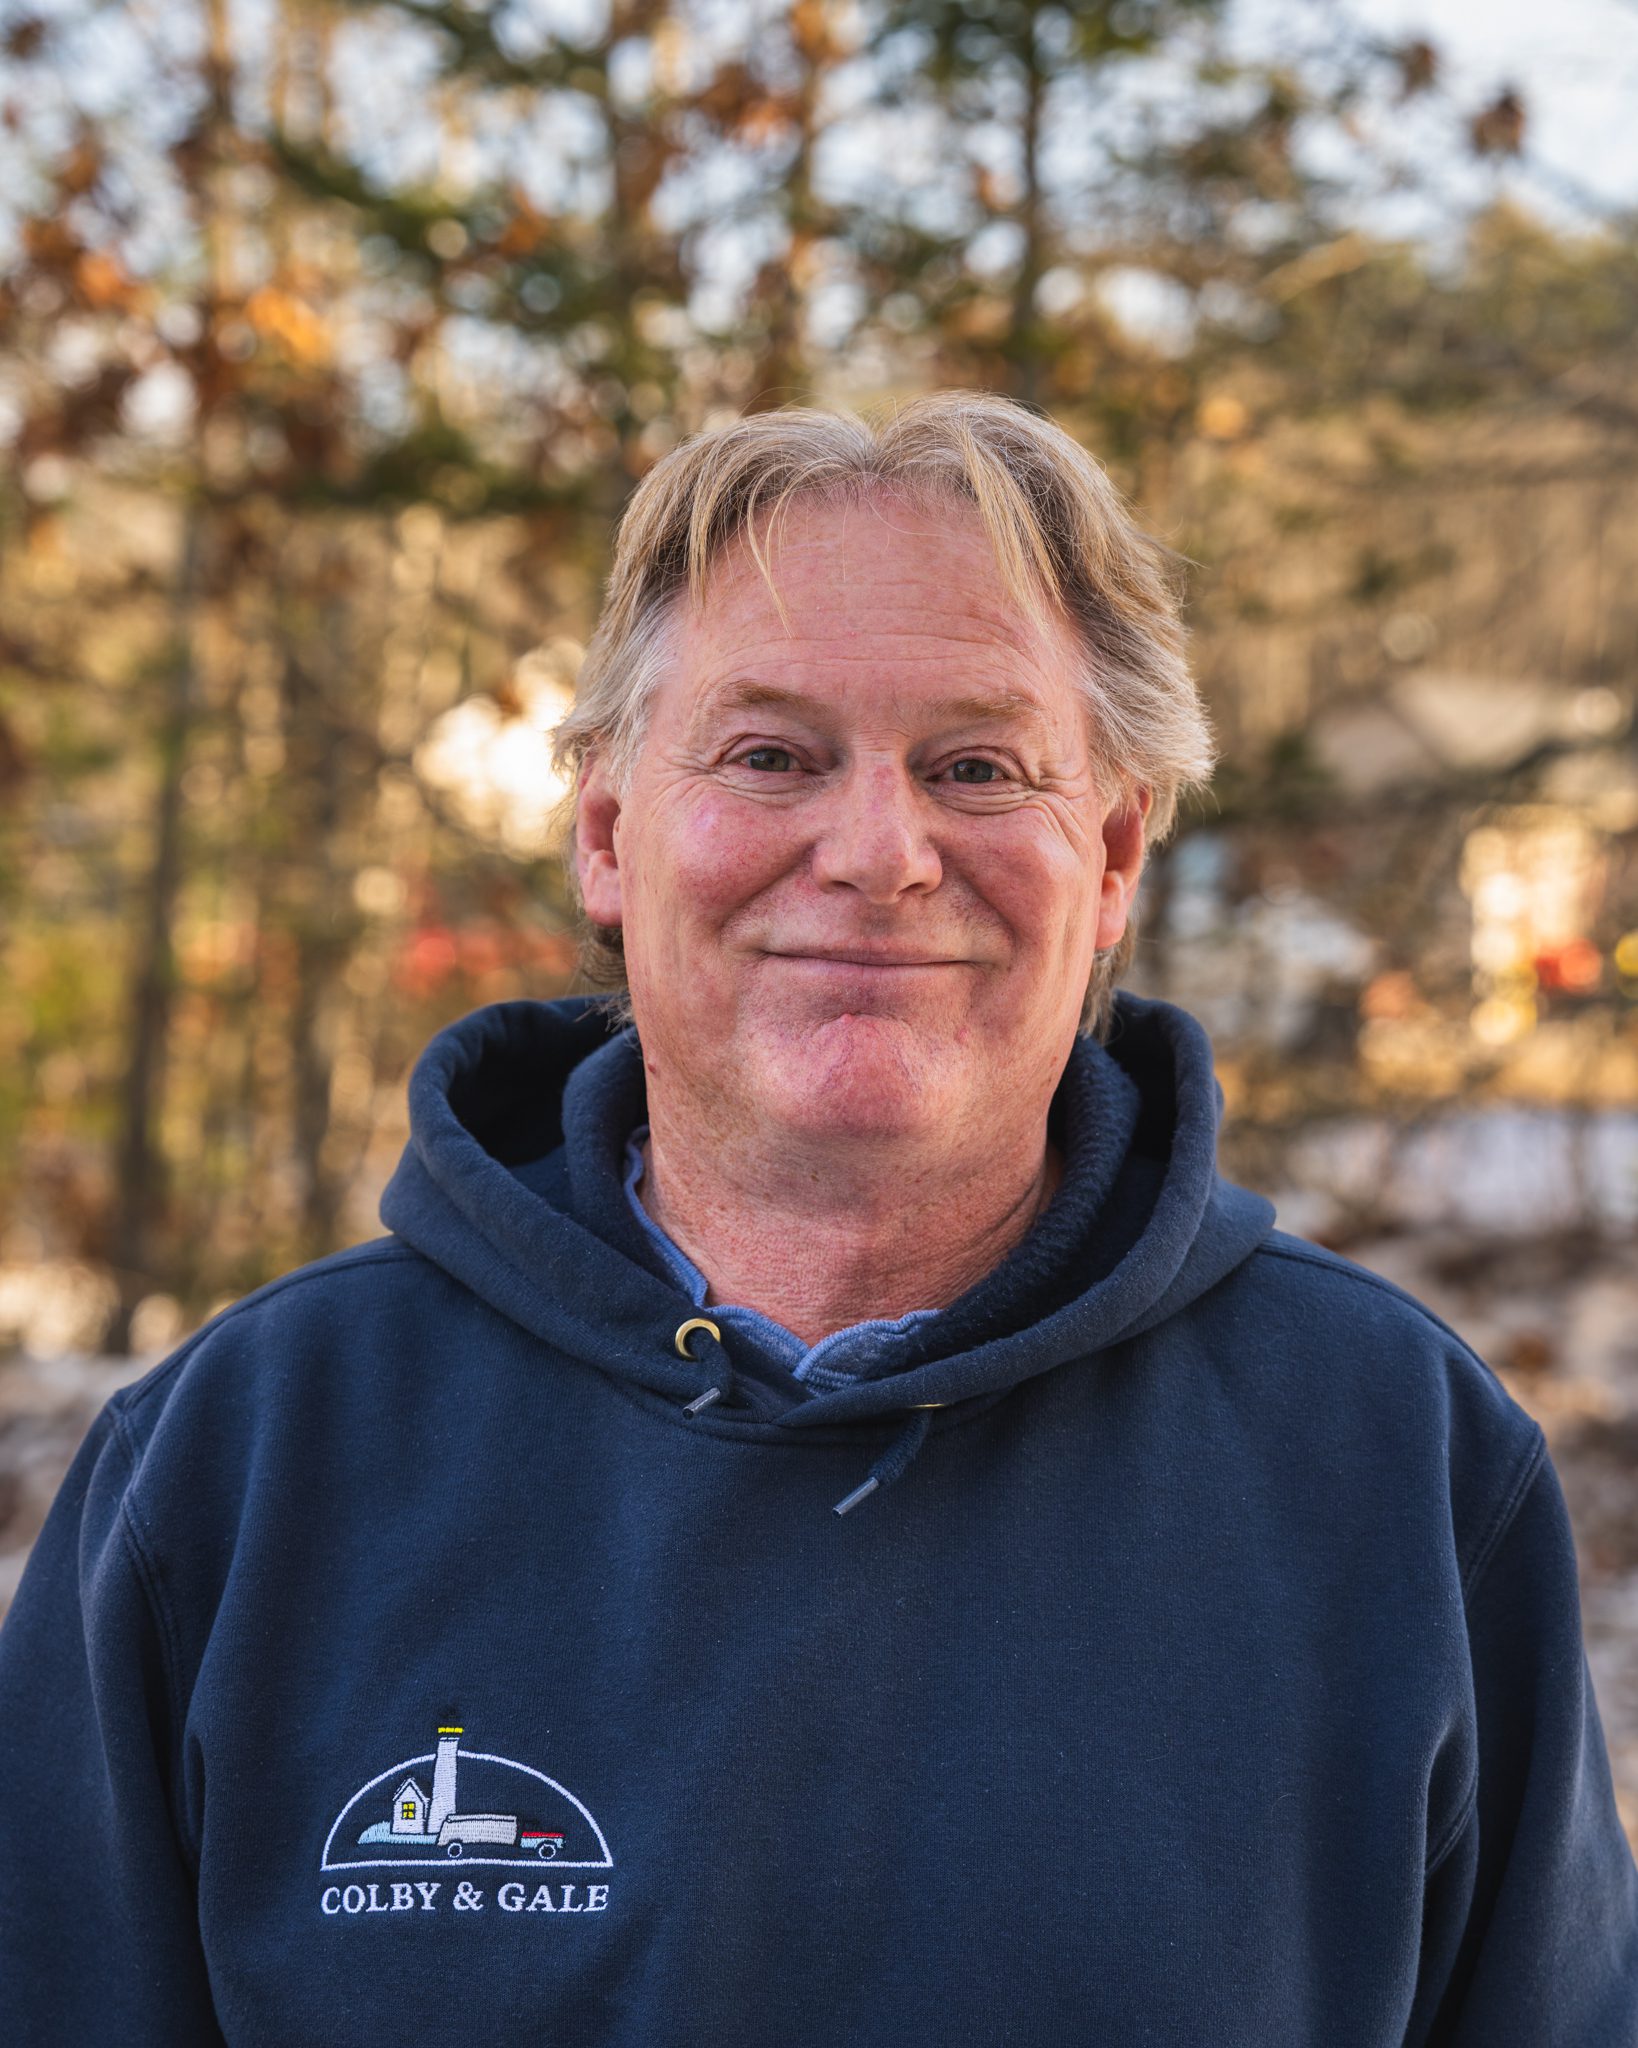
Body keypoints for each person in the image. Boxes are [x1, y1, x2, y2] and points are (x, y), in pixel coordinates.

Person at [0, 392, 1634, 2047]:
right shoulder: (239, 1465)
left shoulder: (1393, 1468)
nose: (877, 854)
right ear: (607, 834)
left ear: (1116, 853)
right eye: (770, 755)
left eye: (976, 766)